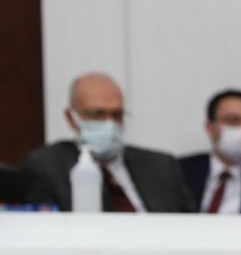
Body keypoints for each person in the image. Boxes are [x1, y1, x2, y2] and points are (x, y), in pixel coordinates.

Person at [21, 73, 194, 212]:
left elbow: (192, 226)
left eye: (117, 115)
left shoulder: (162, 166)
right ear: (71, 118)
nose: (109, 124)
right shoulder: (47, 166)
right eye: (97, 115)